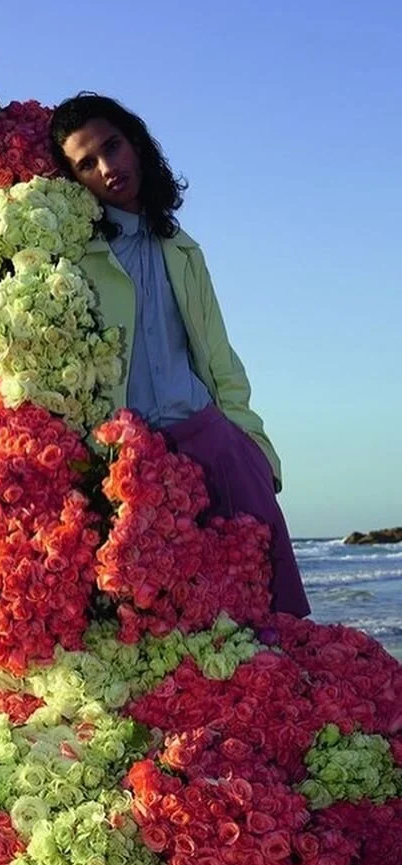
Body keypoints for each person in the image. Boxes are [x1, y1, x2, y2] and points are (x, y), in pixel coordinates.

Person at [50, 94, 310, 617]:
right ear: (74, 180)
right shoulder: (73, 258)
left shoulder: (182, 247)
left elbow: (219, 357)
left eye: (112, 146)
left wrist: (250, 444)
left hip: (213, 445)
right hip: (131, 470)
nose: (107, 167)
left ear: (136, 145)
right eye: (86, 163)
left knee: (267, 622)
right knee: (175, 641)